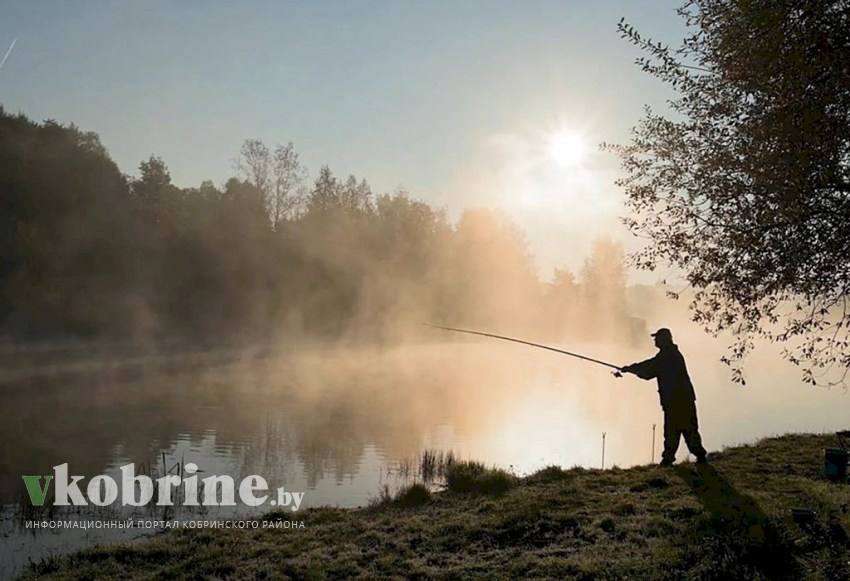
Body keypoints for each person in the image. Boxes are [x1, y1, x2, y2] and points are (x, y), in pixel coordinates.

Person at [620, 328, 708, 466]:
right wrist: (631, 367)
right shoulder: (668, 353)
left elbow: (649, 372)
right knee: (688, 429)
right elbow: (650, 363)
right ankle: (697, 456)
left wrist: (635, 372)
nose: (654, 340)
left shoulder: (667, 356)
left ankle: (669, 459)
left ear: (664, 339)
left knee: (674, 430)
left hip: (675, 400)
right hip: (683, 398)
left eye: (657, 338)